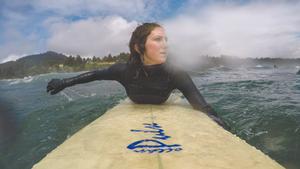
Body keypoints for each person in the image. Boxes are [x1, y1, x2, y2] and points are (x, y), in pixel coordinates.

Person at [47, 23, 230, 130]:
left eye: (166, 40)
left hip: (163, 101)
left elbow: (203, 107)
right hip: (136, 100)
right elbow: (95, 74)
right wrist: (64, 82)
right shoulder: (123, 70)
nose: (165, 45)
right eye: (158, 40)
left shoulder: (176, 74)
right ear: (138, 46)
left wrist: (220, 124)